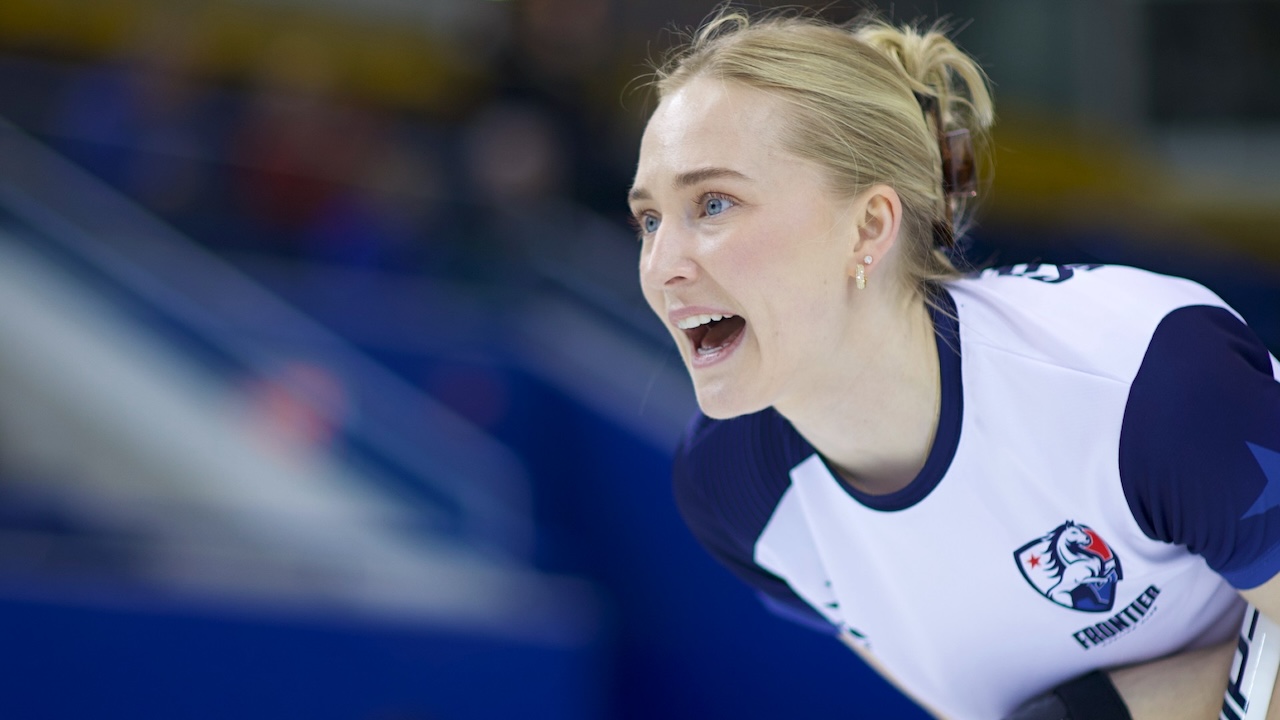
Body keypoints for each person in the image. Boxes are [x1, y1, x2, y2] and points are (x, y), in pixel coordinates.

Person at [625, 7, 1280, 720]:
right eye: (650, 220)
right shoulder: (732, 492)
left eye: (713, 204)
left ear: (870, 225)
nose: (661, 267)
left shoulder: (1146, 382)